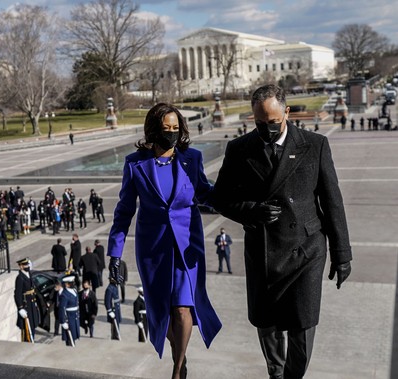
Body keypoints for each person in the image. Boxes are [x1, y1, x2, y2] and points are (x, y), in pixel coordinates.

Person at [211, 84, 352, 379]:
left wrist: (342, 255)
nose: (266, 129)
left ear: (286, 112)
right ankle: (276, 374)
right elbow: (220, 199)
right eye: (259, 123)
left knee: (303, 325)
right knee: (268, 325)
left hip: (307, 249)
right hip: (264, 250)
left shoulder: (314, 144)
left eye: (273, 122)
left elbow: (332, 201)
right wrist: (250, 211)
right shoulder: (239, 149)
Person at [107, 102, 221, 379]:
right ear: (153, 130)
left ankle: (177, 369)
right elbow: (124, 210)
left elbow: (205, 194)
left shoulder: (191, 159)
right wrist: (115, 252)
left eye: (175, 129)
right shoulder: (135, 164)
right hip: (152, 249)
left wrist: (237, 198)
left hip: (186, 245)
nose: (171, 134)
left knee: (183, 309)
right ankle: (178, 353)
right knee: (163, 314)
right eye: (165, 129)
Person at [14, 257, 40, 342]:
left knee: (32, 327)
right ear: (20, 266)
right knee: (26, 331)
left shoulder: (29, 274)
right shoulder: (20, 278)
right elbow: (17, 294)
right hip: (26, 306)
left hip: (32, 304)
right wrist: (20, 308)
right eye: (25, 265)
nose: (27, 266)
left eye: (27, 264)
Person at [59, 274, 80, 346]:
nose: (73, 284)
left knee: (74, 337)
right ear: (66, 284)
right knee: (69, 339)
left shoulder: (74, 290)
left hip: (75, 317)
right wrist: (63, 321)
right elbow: (62, 308)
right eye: (71, 283)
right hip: (69, 318)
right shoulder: (64, 295)